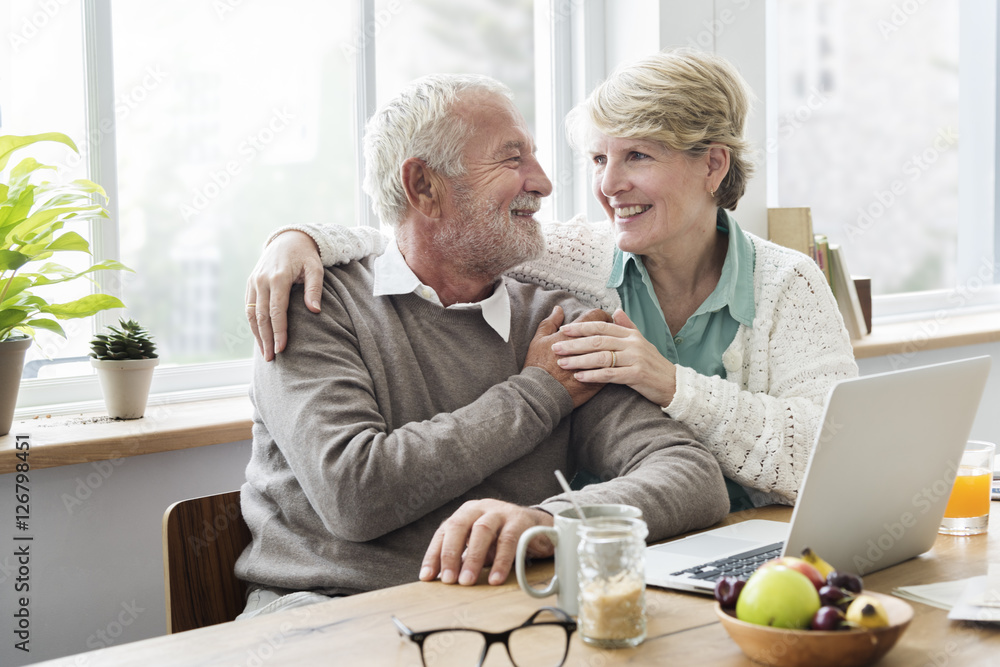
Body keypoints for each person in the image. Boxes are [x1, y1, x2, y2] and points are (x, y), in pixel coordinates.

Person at [247, 50, 859, 513]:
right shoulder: (571, 264)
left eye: (638, 156)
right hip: (612, 558)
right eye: (599, 159)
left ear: (713, 164)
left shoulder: (788, 283)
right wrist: (299, 240)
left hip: (754, 536)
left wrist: (670, 384)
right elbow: (417, 235)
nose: (606, 185)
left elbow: (834, 458)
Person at [236, 72, 729, 618]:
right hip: (326, 616)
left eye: (535, 158)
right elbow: (356, 495)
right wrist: (537, 393)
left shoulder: (555, 318)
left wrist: (549, 523)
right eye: (511, 159)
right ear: (423, 186)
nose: (542, 182)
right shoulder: (309, 304)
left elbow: (692, 476)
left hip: (503, 613)